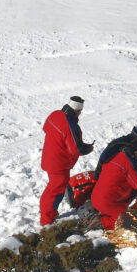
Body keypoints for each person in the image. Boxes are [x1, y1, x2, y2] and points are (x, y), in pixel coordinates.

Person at [40, 96, 94, 225]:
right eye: (80, 111)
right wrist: (89, 148)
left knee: (53, 187)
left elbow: (46, 128)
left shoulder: (55, 114)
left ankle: (47, 212)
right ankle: (47, 220)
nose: (80, 114)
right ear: (76, 110)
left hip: (49, 157)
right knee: (55, 190)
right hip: (59, 164)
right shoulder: (71, 125)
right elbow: (77, 149)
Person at [90, 140, 137, 230]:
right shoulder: (128, 163)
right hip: (106, 203)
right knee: (128, 217)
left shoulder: (117, 155)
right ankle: (102, 223)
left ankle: (102, 215)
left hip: (95, 198)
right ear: (136, 152)